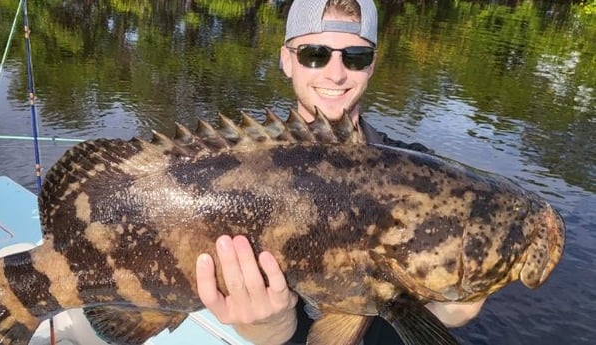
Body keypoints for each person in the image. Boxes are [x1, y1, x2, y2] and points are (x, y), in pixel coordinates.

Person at [195, 0, 486, 344]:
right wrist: (268, 330)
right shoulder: (222, 166)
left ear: (372, 65)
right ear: (287, 60)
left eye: (355, 57)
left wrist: (445, 306)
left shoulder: (424, 176)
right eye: (314, 54)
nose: (336, 73)